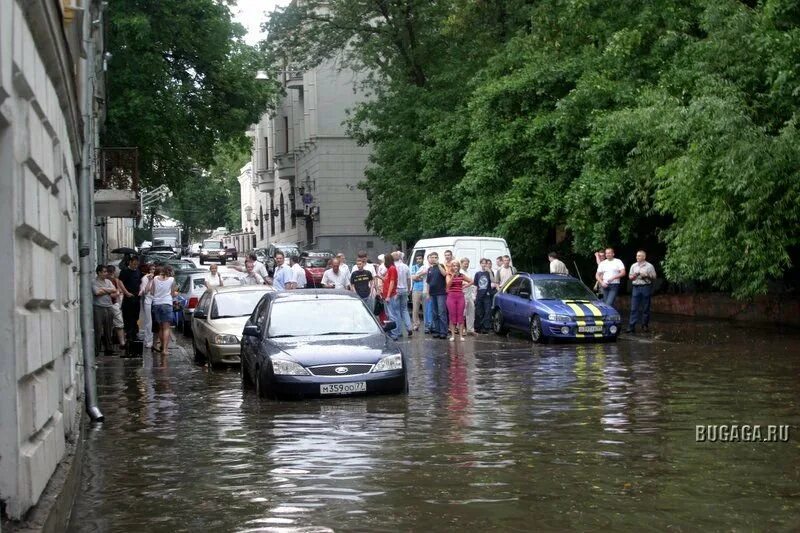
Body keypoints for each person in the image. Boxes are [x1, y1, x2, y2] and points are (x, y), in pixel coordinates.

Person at [148, 265, 178, 353]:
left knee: (160, 328)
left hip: (156, 304)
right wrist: (175, 293)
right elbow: (172, 294)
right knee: (166, 328)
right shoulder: (172, 280)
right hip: (166, 304)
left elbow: (152, 292)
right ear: (170, 272)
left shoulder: (156, 278)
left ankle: (161, 346)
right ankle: (165, 349)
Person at [627, 250, 657, 333]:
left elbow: (654, 277)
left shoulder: (649, 266)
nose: (637, 257)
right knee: (633, 308)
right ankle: (631, 326)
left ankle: (644, 325)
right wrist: (634, 275)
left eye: (639, 256)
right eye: (637, 255)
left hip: (645, 287)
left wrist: (646, 275)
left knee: (645, 308)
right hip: (636, 287)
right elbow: (630, 277)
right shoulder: (633, 266)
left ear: (644, 257)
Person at [92, 265, 117, 355]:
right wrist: (108, 291)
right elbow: (97, 292)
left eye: (106, 272)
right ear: (99, 272)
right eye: (104, 272)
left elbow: (114, 290)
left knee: (108, 329)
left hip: (109, 306)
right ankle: (96, 350)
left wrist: (103, 289)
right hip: (98, 307)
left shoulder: (108, 281)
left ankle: (109, 349)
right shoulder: (94, 282)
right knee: (98, 329)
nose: (106, 274)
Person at [446, 260, 472, 341]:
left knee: (460, 316)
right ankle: (453, 335)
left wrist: (465, 286)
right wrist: (453, 276)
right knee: (452, 316)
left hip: (460, 296)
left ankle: (461, 336)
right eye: (453, 266)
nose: (455, 267)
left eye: (457, 266)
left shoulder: (462, 275)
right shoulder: (449, 275)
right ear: (451, 267)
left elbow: (472, 281)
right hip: (451, 296)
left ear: (459, 267)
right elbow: (448, 286)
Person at [119, 255, 142, 342]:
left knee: (135, 316)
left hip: (136, 297)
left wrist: (140, 291)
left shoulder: (138, 271)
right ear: (130, 262)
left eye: (137, 264)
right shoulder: (124, 271)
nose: (135, 266)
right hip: (128, 297)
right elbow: (120, 282)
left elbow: (140, 282)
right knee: (128, 316)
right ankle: (128, 334)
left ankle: (134, 334)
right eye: (134, 264)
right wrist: (126, 292)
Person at [426, 252, 448, 339]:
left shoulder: (441, 266)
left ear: (438, 258)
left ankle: (443, 332)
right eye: (432, 257)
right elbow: (428, 282)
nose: (433, 259)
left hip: (441, 293)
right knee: (434, 313)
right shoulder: (429, 269)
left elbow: (444, 274)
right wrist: (427, 294)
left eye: (435, 257)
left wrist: (438, 264)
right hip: (432, 293)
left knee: (441, 312)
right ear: (430, 259)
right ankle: (437, 331)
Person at [106, 265, 127, 350]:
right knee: (108, 325)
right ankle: (110, 344)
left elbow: (119, 291)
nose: (111, 275)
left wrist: (117, 293)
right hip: (107, 304)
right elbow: (113, 293)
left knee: (119, 323)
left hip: (115, 303)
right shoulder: (105, 281)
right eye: (110, 273)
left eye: (112, 273)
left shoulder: (115, 280)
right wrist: (115, 293)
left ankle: (122, 343)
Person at [393, 251, 413, 336]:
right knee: (404, 310)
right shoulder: (405, 266)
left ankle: (399, 331)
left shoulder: (392, 267)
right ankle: (409, 327)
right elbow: (409, 279)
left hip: (396, 291)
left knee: (396, 311)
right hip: (404, 289)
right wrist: (408, 289)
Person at [382, 253, 400, 340]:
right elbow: (388, 281)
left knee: (392, 314)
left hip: (391, 295)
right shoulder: (390, 269)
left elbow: (392, 282)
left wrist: (388, 295)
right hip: (388, 295)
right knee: (390, 314)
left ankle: (394, 333)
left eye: (385, 260)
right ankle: (393, 332)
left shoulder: (392, 269)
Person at [473, 259, 495, 334]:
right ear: (480, 264)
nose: (484, 265)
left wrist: (489, 271)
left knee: (487, 311)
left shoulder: (489, 273)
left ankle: (486, 328)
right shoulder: (477, 274)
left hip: (487, 295)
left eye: (485, 263)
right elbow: (475, 285)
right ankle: (478, 327)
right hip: (479, 295)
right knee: (479, 311)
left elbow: (493, 281)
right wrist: (475, 296)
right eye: (482, 263)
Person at [139, 264, 156, 349]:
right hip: (148, 301)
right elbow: (145, 291)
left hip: (156, 302)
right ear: (149, 270)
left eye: (154, 269)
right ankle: (148, 341)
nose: (153, 271)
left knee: (155, 322)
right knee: (149, 322)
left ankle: (155, 341)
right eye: (151, 269)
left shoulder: (157, 278)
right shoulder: (145, 278)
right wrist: (150, 280)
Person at [460, 258, 476, 335]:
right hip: (462, 294)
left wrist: (473, 295)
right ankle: (462, 329)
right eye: (465, 263)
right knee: (463, 313)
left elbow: (473, 284)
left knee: (471, 311)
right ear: (461, 263)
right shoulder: (460, 272)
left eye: (467, 263)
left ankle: (470, 329)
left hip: (470, 295)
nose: (466, 265)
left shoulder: (469, 272)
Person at [410, 254, 426, 331]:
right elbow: (413, 278)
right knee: (415, 308)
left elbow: (418, 277)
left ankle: (427, 324)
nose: (418, 260)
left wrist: (418, 276)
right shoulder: (413, 267)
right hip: (416, 289)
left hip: (425, 289)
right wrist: (420, 277)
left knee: (425, 308)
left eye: (420, 258)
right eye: (417, 259)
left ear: (423, 259)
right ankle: (416, 324)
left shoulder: (425, 267)